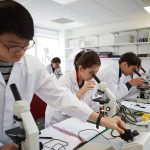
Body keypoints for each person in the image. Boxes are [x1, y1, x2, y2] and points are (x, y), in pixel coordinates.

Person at [0, 0, 125, 149]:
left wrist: (102, 120)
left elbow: (61, 97)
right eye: (13, 46)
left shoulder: (32, 65)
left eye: (26, 45)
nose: (20, 52)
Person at [45, 50, 100, 126]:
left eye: (96, 72)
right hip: (57, 122)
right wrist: (80, 92)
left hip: (74, 119)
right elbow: (64, 110)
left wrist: (102, 110)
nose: (93, 76)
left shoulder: (88, 79)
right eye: (91, 73)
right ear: (80, 69)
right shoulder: (65, 80)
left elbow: (91, 103)